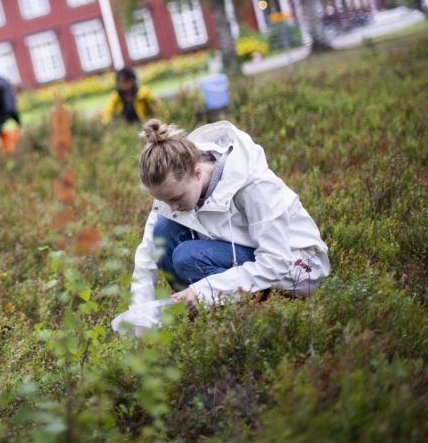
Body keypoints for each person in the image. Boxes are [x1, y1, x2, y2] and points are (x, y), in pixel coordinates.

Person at [127, 118, 330, 320]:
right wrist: (140, 313)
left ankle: (249, 316)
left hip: (296, 267)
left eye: (176, 198)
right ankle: (198, 316)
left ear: (196, 173)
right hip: (247, 255)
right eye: (163, 200)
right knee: (163, 230)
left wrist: (205, 289)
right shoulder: (176, 183)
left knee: (186, 257)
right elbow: (149, 251)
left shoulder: (253, 185)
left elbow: (275, 263)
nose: (172, 207)